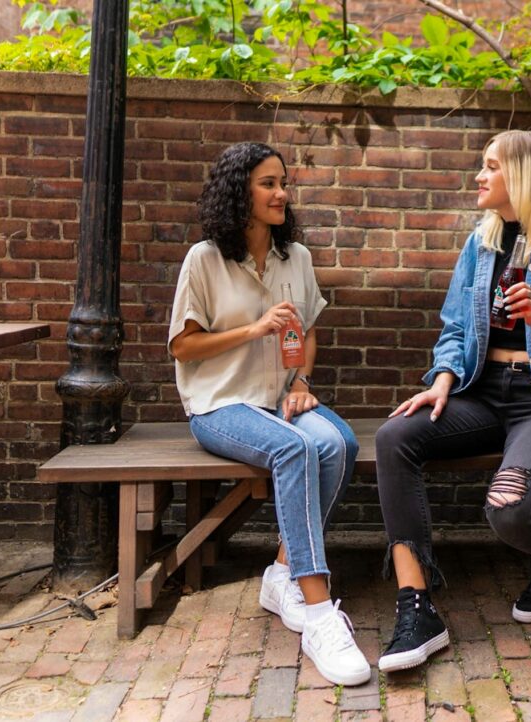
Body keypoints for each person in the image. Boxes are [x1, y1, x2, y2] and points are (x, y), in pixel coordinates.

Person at [373, 130, 531, 673]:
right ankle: (416, 604)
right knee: (394, 436)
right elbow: (455, 325)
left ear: (525, 176)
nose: (479, 176)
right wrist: (442, 376)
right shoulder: (481, 243)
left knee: (509, 513)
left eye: (491, 166)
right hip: (482, 394)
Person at [167, 142, 368, 686]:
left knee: (340, 443)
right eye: (268, 183)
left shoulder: (295, 257)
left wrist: (301, 380)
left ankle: (281, 571)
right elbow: (184, 348)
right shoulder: (205, 259)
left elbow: (310, 331)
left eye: (283, 182)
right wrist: (254, 330)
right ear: (240, 191)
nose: (282, 193)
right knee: (298, 446)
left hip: (281, 400)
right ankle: (319, 609)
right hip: (220, 405)